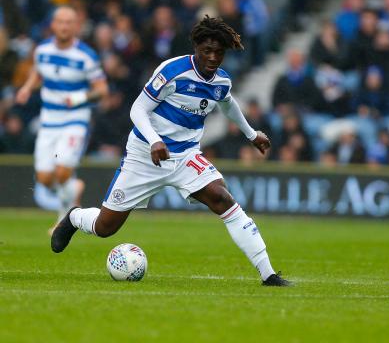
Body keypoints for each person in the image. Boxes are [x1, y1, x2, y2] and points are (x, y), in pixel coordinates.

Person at [50, 16, 290, 287]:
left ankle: (268, 274)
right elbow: (138, 109)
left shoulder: (221, 81)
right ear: (195, 48)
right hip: (144, 155)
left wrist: (251, 134)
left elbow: (227, 103)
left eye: (218, 53)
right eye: (206, 51)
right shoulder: (172, 71)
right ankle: (74, 217)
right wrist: (154, 140)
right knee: (105, 227)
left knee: (222, 198)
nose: (212, 58)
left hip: (186, 156)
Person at [15, 6, 109, 228]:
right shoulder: (42, 51)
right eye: (60, 22)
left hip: (75, 118)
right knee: (45, 179)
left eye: (69, 22)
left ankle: (63, 216)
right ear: (53, 25)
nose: (64, 26)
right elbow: (38, 71)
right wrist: (27, 88)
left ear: (76, 26)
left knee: (63, 170)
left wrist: (79, 98)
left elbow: (102, 89)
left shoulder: (86, 55)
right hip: (49, 120)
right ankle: (74, 190)